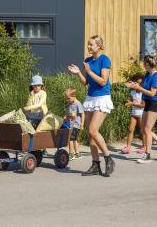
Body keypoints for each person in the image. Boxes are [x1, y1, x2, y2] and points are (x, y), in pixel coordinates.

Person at [68, 35, 115, 176]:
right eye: (88, 44)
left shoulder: (104, 60)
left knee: (94, 130)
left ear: (99, 46)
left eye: (91, 45)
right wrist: (79, 73)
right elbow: (85, 83)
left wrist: (88, 72)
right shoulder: (88, 60)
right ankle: (95, 165)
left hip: (102, 97)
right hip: (91, 97)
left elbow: (102, 81)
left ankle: (109, 158)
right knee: (90, 133)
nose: (88, 47)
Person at [127, 53, 157, 164]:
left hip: (154, 103)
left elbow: (152, 93)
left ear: (147, 64)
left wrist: (139, 88)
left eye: (144, 64)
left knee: (147, 130)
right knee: (144, 130)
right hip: (147, 103)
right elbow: (143, 89)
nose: (143, 66)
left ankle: (148, 154)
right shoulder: (147, 74)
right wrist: (134, 85)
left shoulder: (156, 77)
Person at [121, 73, 146, 154]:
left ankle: (144, 147)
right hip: (134, 113)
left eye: (140, 83)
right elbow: (132, 100)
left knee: (142, 131)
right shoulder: (133, 92)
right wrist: (130, 103)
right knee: (131, 130)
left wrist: (132, 104)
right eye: (137, 82)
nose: (138, 84)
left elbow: (143, 105)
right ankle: (128, 147)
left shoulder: (143, 93)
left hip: (141, 114)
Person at [63, 87, 84, 160]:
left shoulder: (78, 104)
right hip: (71, 124)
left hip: (76, 125)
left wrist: (81, 124)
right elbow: (68, 113)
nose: (67, 100)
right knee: (74, 139)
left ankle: (71, 153)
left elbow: (82, 114)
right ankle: (77, 153)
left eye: (68, 98)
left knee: (70, 139)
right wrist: (65, 117)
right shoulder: (70, 104)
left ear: (74, 96)